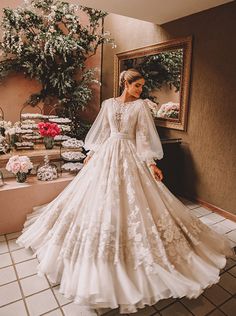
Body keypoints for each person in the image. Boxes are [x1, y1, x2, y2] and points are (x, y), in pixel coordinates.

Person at [16, 68, 235, 314]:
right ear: (125, 84)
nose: (140, 90)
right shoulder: (108, 104)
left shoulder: (141, 106)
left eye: (141, 86)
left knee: (135, 201)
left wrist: (151, 163)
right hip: (107, 154)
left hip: (130, 155)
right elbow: (104, 133)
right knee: (95, 199)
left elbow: (142, 136)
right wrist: (93, 154)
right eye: (137, 85)